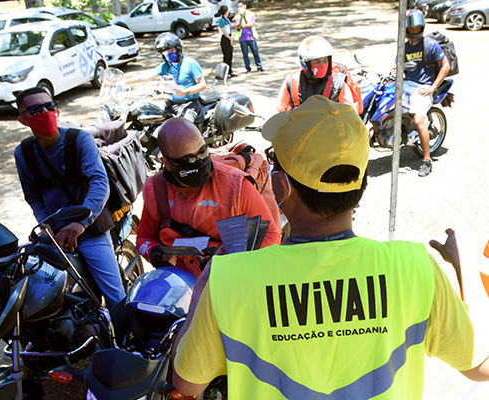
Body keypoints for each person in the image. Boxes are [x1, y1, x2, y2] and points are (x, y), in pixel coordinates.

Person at [171, 95, 489, 398]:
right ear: (361, 183)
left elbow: (187, 384)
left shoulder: (230, 279)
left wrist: (204, 285)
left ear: (282, 187)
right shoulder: (415, 266)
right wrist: (465, 262)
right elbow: (481, 366)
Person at [14, 87, 126, 309]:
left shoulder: (78, 140)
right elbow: (33, 197)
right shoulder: (24, 153)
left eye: (50, 106)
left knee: (116, 298)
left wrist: (80, 223)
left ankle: (128, 341)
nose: (46, 112)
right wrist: (46, 225)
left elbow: (99, 182)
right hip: (56, 235)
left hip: (90, 230)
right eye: (36, 109)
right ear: (23, 120)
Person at [136, 117, 281, 278]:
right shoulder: (156, 190)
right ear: (167, 163)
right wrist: (154, 252)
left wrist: (225, 260)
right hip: (180, 287)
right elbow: (144, 238)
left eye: (203, 152)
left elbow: (271, 237)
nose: (198, 163)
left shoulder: (236, 187)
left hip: (228, 281)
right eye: (189, 160)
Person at [402, 9, 450, 177]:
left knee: (419, 119)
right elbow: (397, 66)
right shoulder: (404, 46)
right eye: (411, 29)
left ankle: (426, 160)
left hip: (423, 87)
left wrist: (433, 87)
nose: (414, 31)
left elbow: (446, 66)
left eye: (417, 28)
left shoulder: (430, 45)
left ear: (422, 27)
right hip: (405, 84)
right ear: (406, 29)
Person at [126, 32, 206, 123]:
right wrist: (123, 81)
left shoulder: (190, 63)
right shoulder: (166, 66)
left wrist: (185, 92)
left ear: (178, 49)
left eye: (170, 51)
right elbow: (145, 76)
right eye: (164, 53)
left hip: (189, 104)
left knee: (183, 130)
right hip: (171, 104)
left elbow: (202, 85)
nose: (168, 55)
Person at [277, 35, 362, 114]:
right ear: (305, 63)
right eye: (317, 62)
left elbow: (349, 112)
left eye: (325, 61)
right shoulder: (291, 82)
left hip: (330, 128)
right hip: (301, 127)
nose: (321, 64)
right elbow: (280, 111)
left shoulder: (338, 82)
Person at [234, 1, 263, 73]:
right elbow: (238, 26)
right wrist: (241, 17)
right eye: (238, 7)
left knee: (255, 52)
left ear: (245, 6)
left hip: (251, 36)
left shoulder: (251, 14)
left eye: (241, 6)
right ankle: (248, 68)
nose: (240, 8)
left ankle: (259, 66)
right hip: (242, 38)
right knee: (245, 54)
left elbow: (251, 24)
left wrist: (243, 26)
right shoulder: (237, 16)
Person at [216, 5, 236, 78]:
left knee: (230, 55)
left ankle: (230, 70)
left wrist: (231, 37)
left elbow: (230, 30)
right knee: (226, 56)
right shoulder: (222, 20)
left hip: (229, 37)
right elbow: (224, 32)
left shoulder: (227, 19)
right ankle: (226, 72)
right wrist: (230, 38)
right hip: (225, 38)